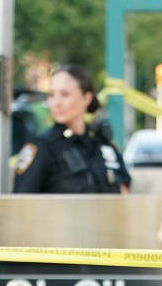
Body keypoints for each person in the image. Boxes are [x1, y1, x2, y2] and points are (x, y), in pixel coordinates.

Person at [12, 64, 131, 193]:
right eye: (51, 95)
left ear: (86, 98)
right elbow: (21, 203)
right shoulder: (41, 148)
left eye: (65, 94)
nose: (56, 103)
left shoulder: (101, 143)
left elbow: (123, 190)